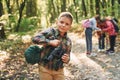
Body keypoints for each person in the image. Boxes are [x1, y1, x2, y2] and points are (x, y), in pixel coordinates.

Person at [32, 12, 73, 80]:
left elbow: (68, 57)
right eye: (61, 22)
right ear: (57, 22)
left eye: (67, 24)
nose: (63, 25)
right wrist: (49, 42)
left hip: (59, 70)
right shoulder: (50, 32)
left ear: (70, 27)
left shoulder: (68, 41)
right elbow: (35, 38)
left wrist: (67, 59)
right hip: (45, 68)